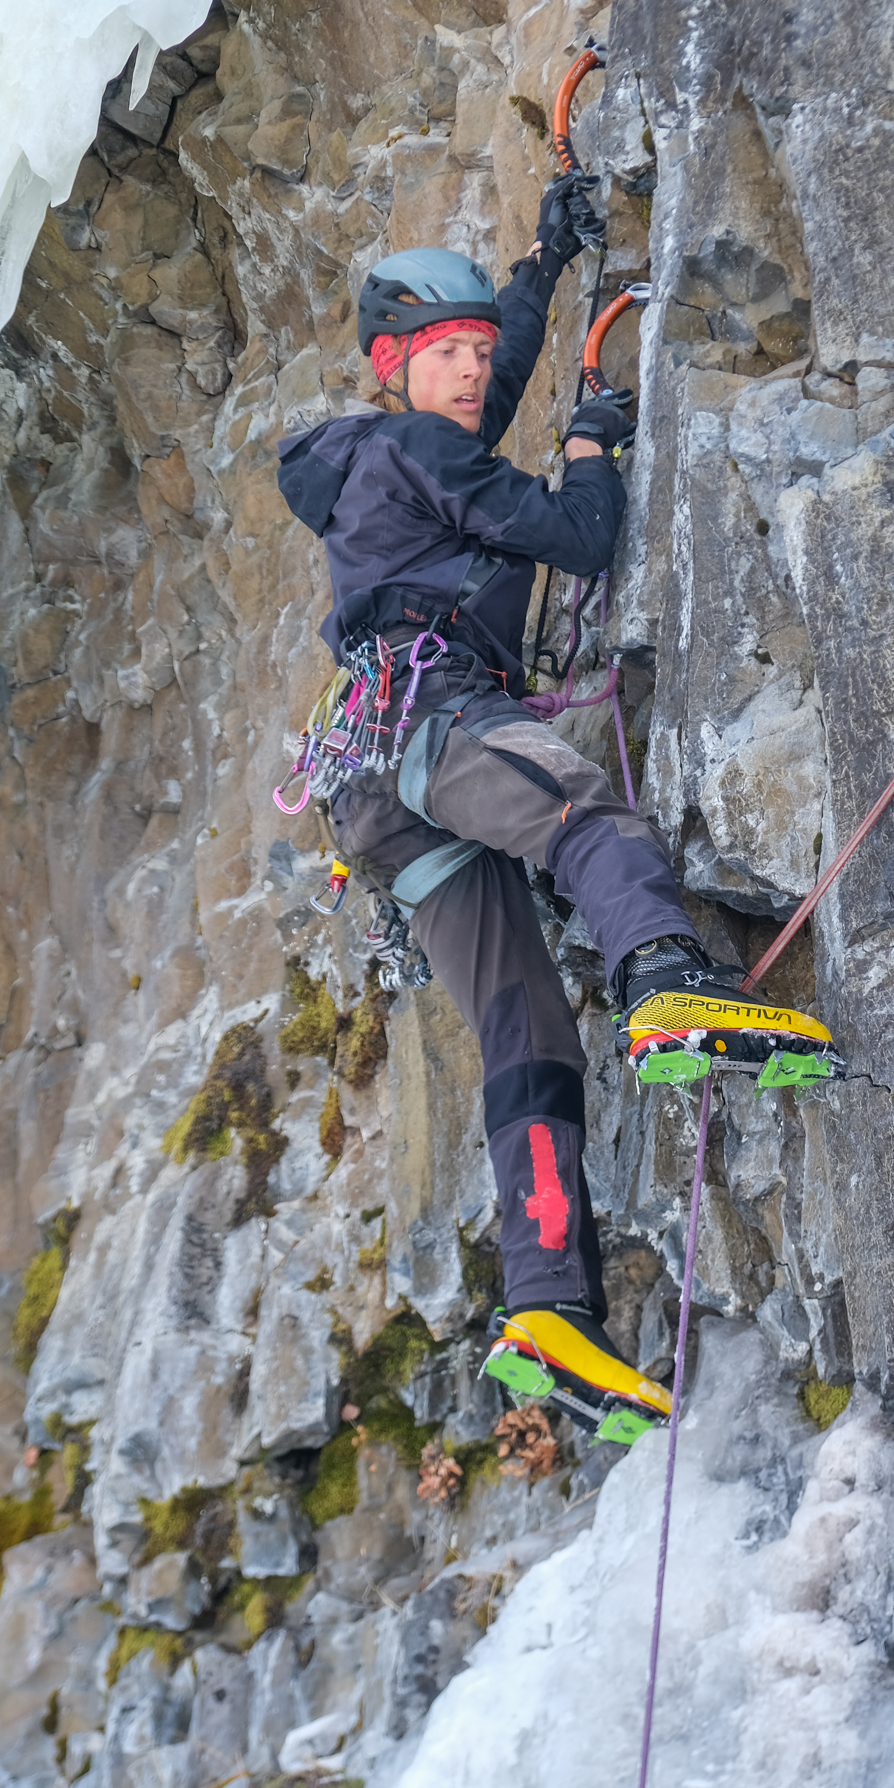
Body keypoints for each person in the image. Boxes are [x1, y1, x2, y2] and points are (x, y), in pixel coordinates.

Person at [276, 177, 839, 1437]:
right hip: (435, 723)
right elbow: (576, 536)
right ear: (392, 365)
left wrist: (540, 264)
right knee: (584, 815)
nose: (475, 370)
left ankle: (546, 1307)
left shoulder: (380, 456)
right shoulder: (419, 449)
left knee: (524, 1026)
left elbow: (491, 391)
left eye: (479, 350)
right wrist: (589, 448)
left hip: (375, 787)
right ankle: (664, 982)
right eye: (449, 353)